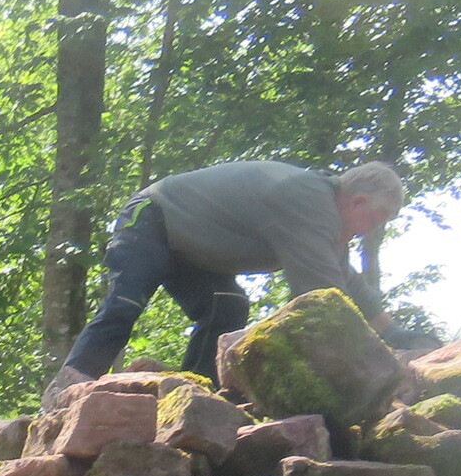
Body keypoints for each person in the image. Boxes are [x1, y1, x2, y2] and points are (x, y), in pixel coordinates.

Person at [46, 160, 407, 405]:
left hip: (194, 251)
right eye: (376, 219)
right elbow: (323, 299)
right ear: (357, 202)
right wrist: (369, 363)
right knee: (126, 301)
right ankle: (68, 389)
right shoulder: (309, 201)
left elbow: (348, 283)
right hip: (153, 217)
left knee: (228, 306)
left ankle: (193, 396)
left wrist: (396, 335)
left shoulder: (322, 218)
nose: (371, 230)